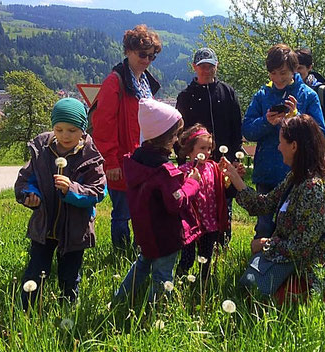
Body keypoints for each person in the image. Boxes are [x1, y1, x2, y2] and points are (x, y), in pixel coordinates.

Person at [221, 114, 325, 299]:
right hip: (289, 265)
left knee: (257, 299)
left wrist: (265, 244)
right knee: (249, 289)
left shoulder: (315, 189)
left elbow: (300, 247)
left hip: (310, 275)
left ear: (294, 146)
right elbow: (264, 204)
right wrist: (236, 180)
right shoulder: (296, 178)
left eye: (281, 142)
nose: (278, 147)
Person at [15, 98, 106, 308]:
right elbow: (25, 180)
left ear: (83, 130)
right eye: (59, 129)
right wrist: (30, 195)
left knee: (69, 275)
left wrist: (71, 189)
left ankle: (68, 311)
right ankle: (26, 311)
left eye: (72, 130)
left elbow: (97, 192)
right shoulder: (41, 151)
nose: (65, 135)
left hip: (75, 229)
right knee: (35, 271)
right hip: (44, 226)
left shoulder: (91, 158)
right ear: (53, 127)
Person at [114, 99, 201, 303]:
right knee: (162, 275)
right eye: (175, 136)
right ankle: (157, 313)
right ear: (167, 138)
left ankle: (120, 300)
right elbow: (176, 202)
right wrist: (192, 184)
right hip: (165, 235)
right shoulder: (164, 172)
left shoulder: (135, 162)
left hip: (145, 232)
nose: (177, 140)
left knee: (142, 264)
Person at [242, 44, 325, 239]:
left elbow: (320, 133)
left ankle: (292, 269)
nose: (278, 78)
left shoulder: (308, 95)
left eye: (283, 73)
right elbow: (247, 130)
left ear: (294, 69)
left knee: (294, 229)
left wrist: (297, 117)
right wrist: (266, 122)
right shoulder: (262, 95)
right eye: (273, 73)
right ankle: (259, 268)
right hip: (266, 174)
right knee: (263, 228)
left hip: (298, 174)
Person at [92, 24, 162, 250]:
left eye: (151, 56)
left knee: (141, 210)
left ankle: (137, 254)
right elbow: (103, 124)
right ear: (128, 51)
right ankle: (121, 256)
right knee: (122, 214)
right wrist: (110, 161)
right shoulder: (115, 81)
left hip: (142, 159)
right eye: (142, 54)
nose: (147, 60)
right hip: (122, 161)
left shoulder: (144, 83)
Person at [176, 47, 243, 244]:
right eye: (202, 66)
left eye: (210, 66)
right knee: (196, 206)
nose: (207, 70)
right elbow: (179, 133)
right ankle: (195, 245)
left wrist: (235, 156)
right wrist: (183, 162)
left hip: (223, 164)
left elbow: (236, 127)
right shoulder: (185, 96)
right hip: (195, 166)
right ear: (194, 67)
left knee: (224, 206)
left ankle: (222, 247)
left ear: (217, 66)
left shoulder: (227, 92)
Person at [176, 124, 236, 277]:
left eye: (209, 148)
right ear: (190, 150)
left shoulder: (213, 168)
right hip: (191, 223)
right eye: (202, 148)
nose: (207, 152)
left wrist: (231, 177)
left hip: (210, 222)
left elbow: (223, 187)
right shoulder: (183, 171)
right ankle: (179, 281)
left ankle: (204, 284)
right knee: (187, 258)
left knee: (206, 257)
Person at [296, 48, 325, 159]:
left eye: (300, 68)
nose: (296, 72)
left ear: (310, 67)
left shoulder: (321, 92)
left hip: (316, 153)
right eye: (293, 68)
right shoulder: (286, 90)